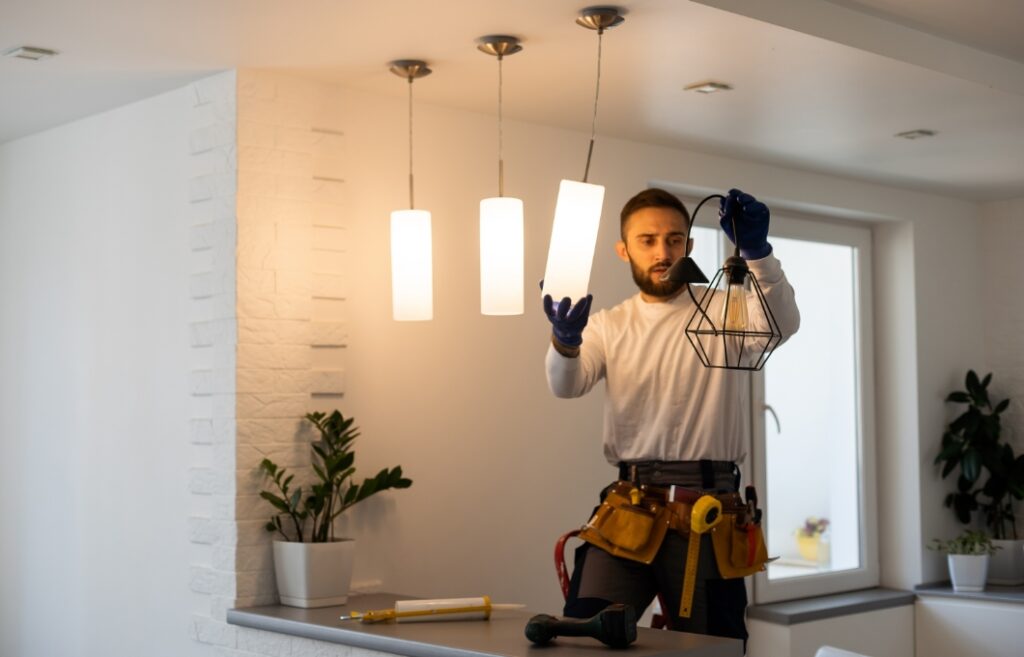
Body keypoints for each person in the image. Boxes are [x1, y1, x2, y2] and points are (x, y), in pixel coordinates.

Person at [542, 187, 800, 644]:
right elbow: (567, 384)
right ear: (623, 250)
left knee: (712, 649)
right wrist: (565, 341)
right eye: (647, 240)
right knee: (581, 636)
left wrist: (758, 253)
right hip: (629, 506)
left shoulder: (725, 310)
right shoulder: (607, 324)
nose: (663, 252)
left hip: (709, 511)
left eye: (675, 239)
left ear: (690, 245)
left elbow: (782, 325)